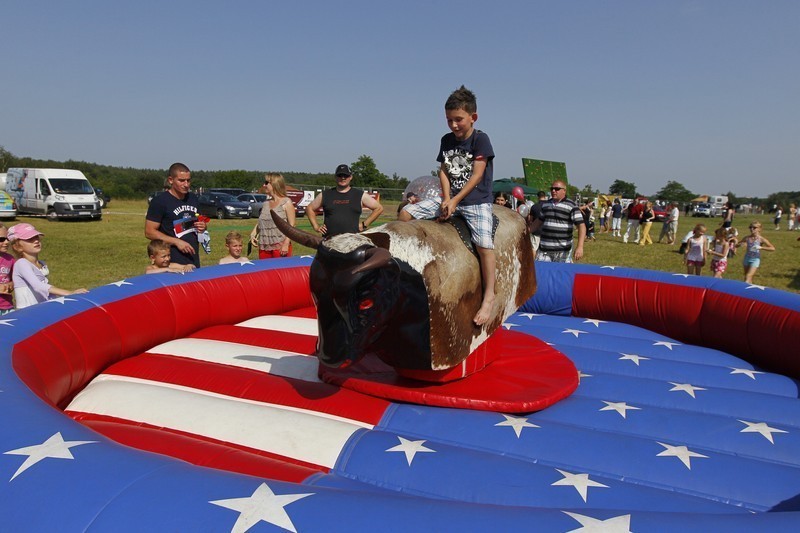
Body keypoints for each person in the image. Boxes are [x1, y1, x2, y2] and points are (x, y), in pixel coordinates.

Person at [399, 85, 496, 325]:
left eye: (458, 120)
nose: (453, 125)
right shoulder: (446, 140)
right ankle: (406, 271)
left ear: (473, 117)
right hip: (449, 197)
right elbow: (443, 170)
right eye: (449, 120)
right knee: (406, 213)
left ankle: (489, 295)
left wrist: (455, 199)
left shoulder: (480, 139)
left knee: (484, 244)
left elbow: (476, 175)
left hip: (475, 200)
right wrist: (445, 198)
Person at [8, 223, 88, 309]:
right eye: (29, 239)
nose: (36, 241)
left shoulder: (42, 264)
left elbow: (47, 289)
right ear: (17, 247)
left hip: (40, 309)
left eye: (36, 237)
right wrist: (70, 293)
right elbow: (38, 286)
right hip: (27, 312)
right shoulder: (21, 263)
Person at [145, 162, 207, 268]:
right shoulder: (160, 201)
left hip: (193, 258)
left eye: (188, 180)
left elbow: (199, 221)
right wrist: (176, 242)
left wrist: (203, 226)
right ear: (170, 180)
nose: (186, 184)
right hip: (171, 261)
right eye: (181, 180)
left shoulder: (193, 198)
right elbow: (149, 232)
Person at [307, 164, 384, 237]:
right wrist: (316, 226)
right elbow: (309, 208)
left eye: (346, 175)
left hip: (352, 242)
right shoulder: (325, 194)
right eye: (340, 175)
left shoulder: (359, 195)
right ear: (335, 177)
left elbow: (379, 208)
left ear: (351, 177)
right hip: (329, 241)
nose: (343, 178)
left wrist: (364, 224)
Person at [529, 180, 585, 263]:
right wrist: (526, 232)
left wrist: (580, 247)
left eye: (557, 189)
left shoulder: (571, 206)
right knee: (541, 274)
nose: (553, 191)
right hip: (544, 251)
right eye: (552, 189)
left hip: (562, 252)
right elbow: (538, 222)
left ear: (564, 191)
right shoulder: (546, 205)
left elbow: (581, 226)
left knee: (562, 275)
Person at [251, 173, 296, 258]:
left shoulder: (286, 202)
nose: (264, 185)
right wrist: (253, 234)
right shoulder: (265, 204)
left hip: (281, 247)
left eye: (266, 182)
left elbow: (292, 226)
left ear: (275, 184)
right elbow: (261, 222)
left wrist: (286, 243)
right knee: (264, 270)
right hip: (264, 247)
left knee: (281, 271)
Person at [0, 223, 15, 315]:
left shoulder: (10, 259)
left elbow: (16, 279)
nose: (6, 242)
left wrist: (10, 284)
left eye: (8, 239)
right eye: (1, 239)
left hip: (7, 307)